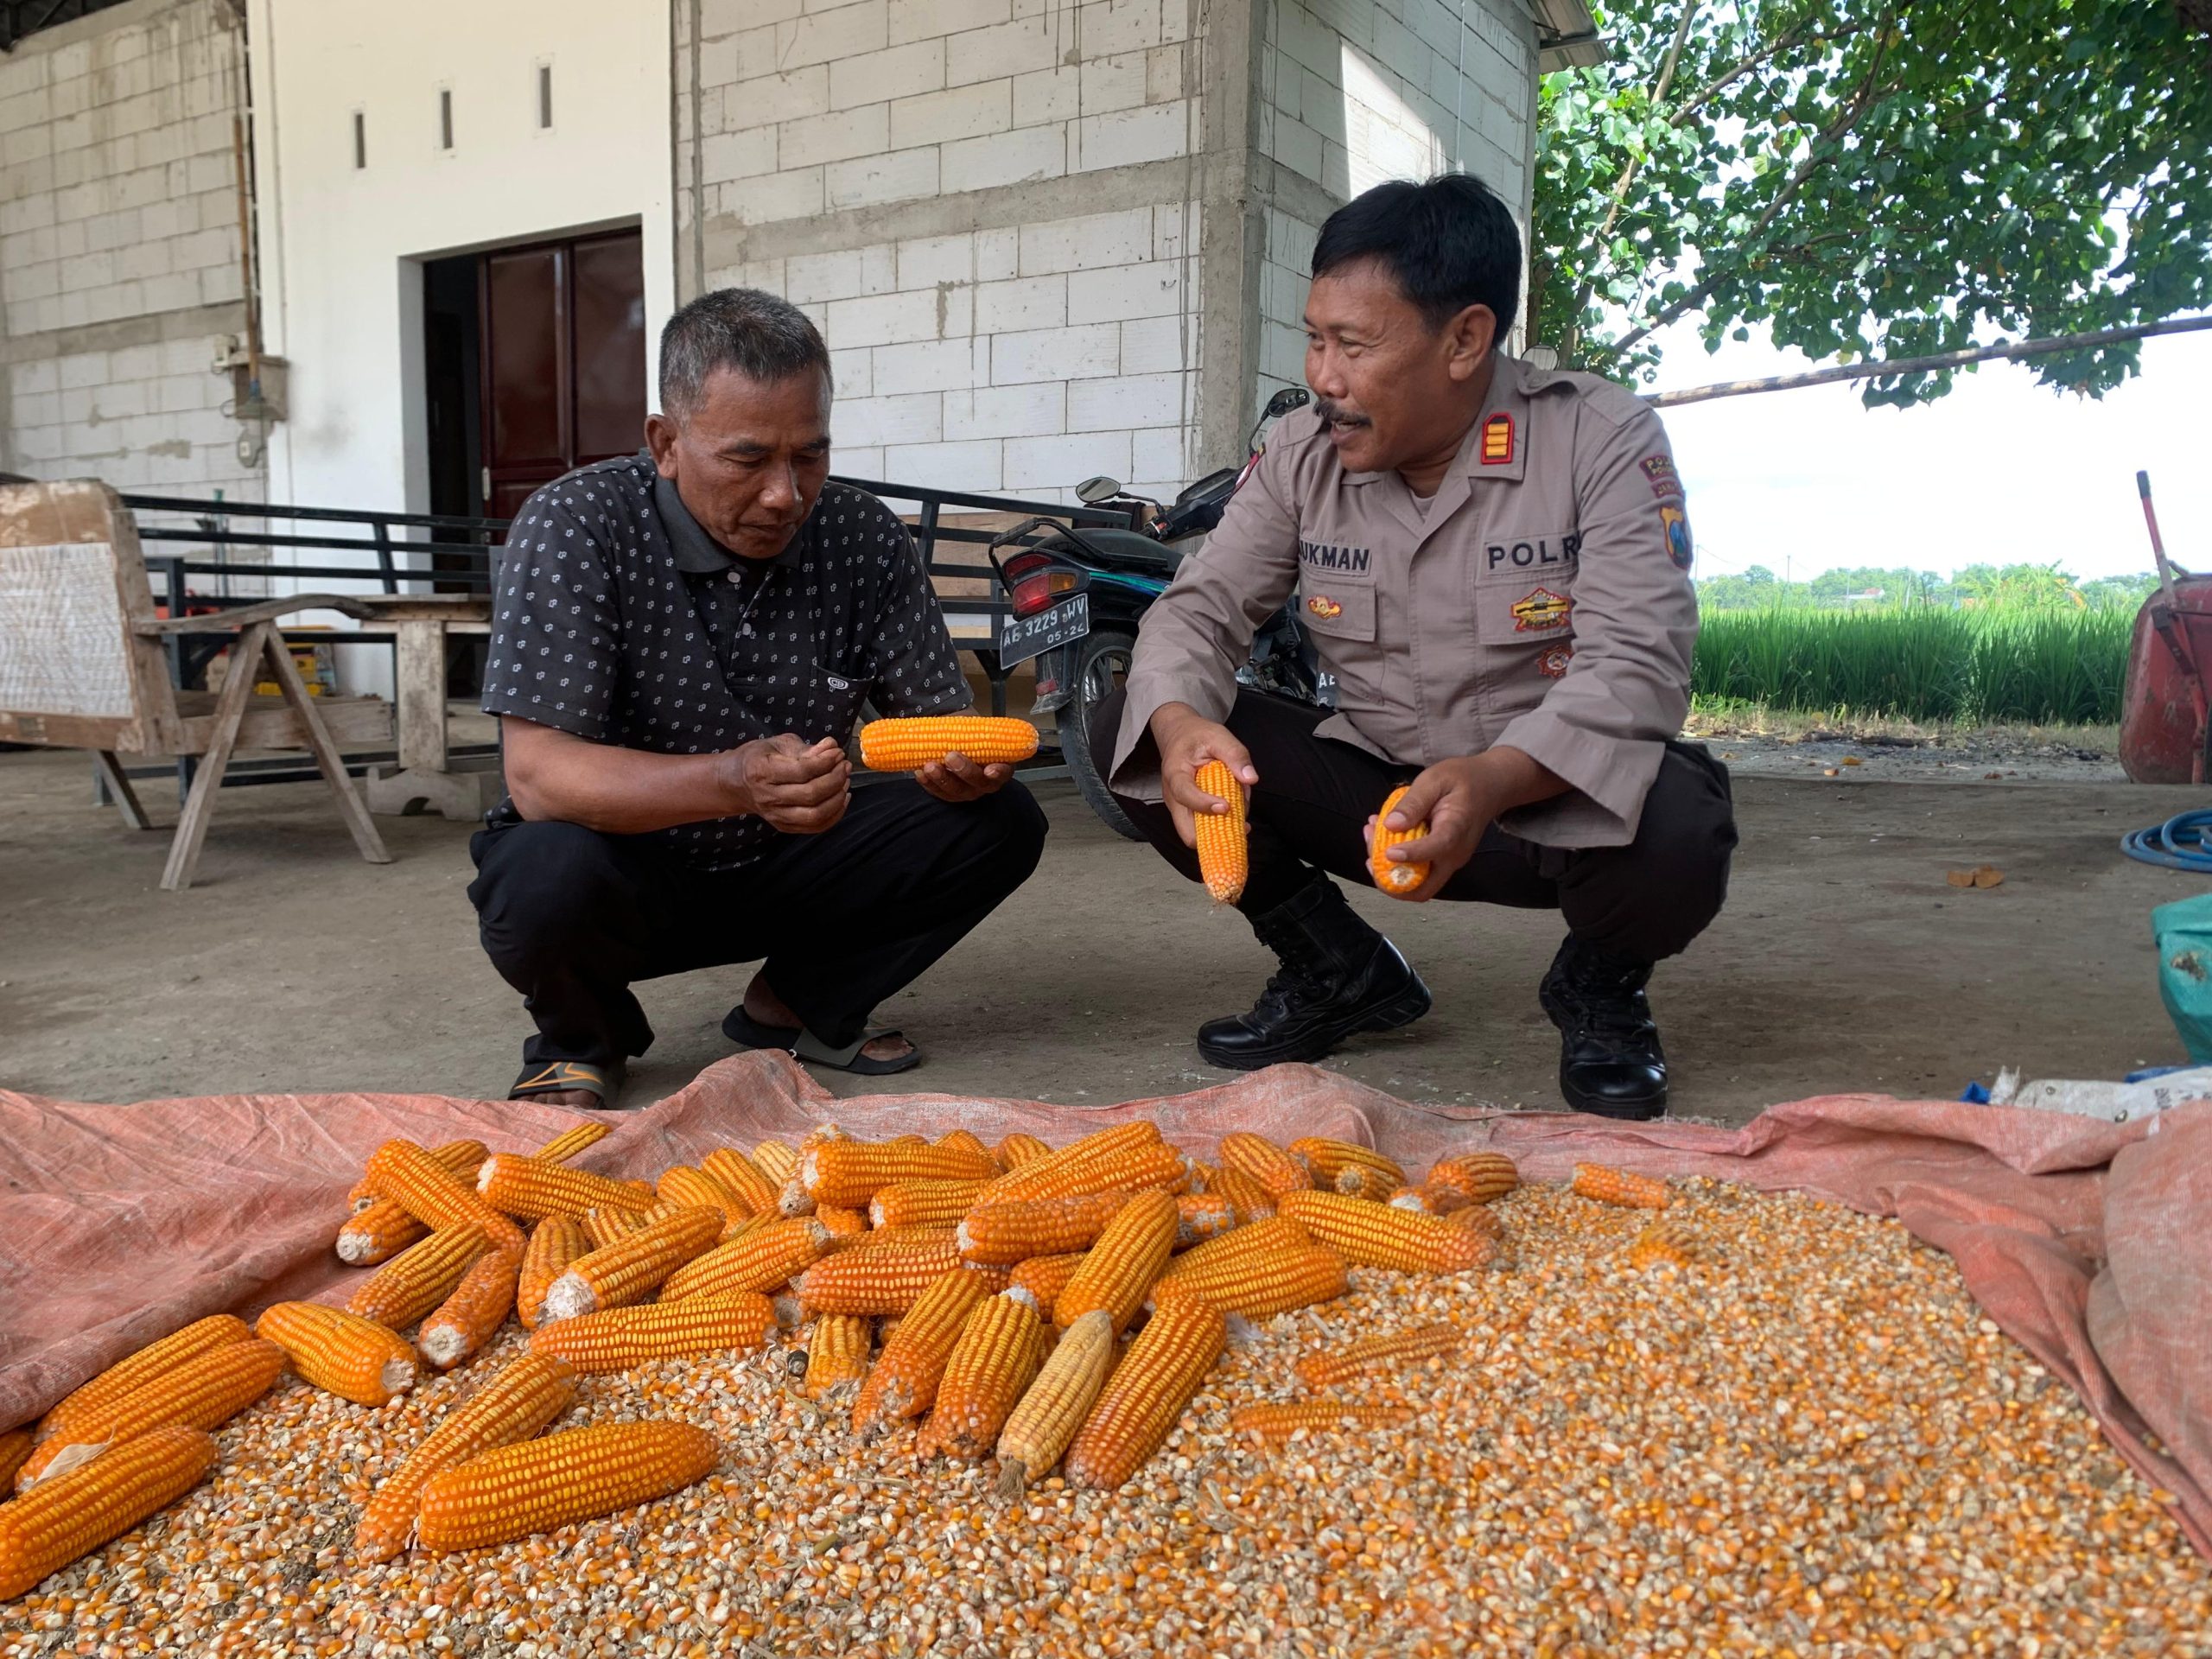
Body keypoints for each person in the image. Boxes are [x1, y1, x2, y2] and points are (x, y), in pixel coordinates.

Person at [1094, 174, 1736, 1119]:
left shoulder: (1597, 438)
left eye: (1354, 345)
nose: (1324, 377)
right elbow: (1201, 609)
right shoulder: (1301, 454)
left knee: (1682, 819)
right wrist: (1184, 726)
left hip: (1537, 802)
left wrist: (1493, 780)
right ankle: (1338, 969)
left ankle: (1599, 987)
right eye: (1315, 339)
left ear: (1465, 340)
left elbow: (1636, 663)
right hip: (1375, 795)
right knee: (1135, 726)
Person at [468, 288, 1046, 1109]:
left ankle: (796, 1004)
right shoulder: (578, 523)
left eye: (809, 456)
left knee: (999, 822)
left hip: (791, 857)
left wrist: (961, 766)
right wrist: (732, 779)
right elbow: (538, 775)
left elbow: (934, 723)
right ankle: (582, 1039)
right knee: (540, 871)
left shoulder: (863, 537)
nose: (785, 495)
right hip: (629, 871)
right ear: (666, 444)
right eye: (747, 461)